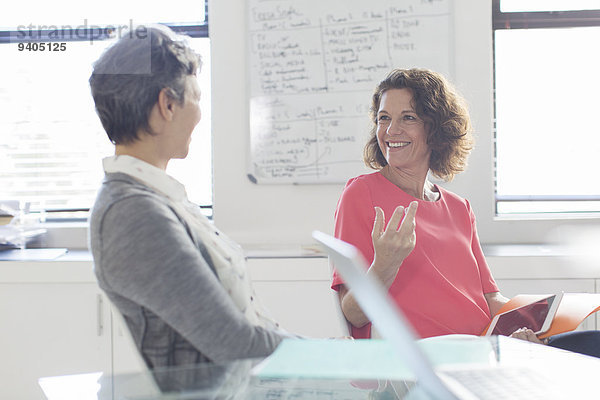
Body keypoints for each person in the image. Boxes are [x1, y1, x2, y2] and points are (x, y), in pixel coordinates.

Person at [331, 68, 600, 357]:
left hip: (484, 352)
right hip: (425, 363)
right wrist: (384, 265)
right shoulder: (361, 195)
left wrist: (533, 327)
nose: (390, 130)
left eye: (407, 117)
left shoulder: (459, 208)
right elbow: (354, 316)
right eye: (384, 118)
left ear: (435, 129)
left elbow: (490, 299)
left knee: (591, 343)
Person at [88, 25, 294, 369]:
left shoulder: (156, 198)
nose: (199, 113)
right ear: (167, 104)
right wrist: (332, 355)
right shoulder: (134, 214)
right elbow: (233, 341)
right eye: (196, 97)